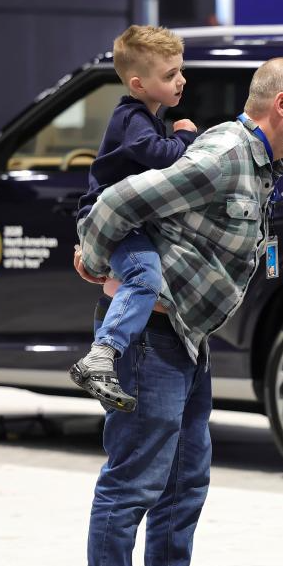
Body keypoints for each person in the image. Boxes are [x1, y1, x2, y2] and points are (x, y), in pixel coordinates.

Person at [73, 57, 283, 566]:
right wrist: (95, 259)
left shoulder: (263, 166)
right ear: (282, 105)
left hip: (187, 336)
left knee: (185, 479)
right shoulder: (224, 154)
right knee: (133, 480)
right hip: (150, 338)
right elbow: (117, 200)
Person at [69, 25, 198, 413]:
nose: (181, 80)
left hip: (127, 223)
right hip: (110, 222)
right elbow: (158, 155)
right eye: (170, 75)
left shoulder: (145, 117)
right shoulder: (133, 118)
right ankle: (102, 355)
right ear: (138, 84)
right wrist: (185, 138)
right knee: (144, 275)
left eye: (180, 70)